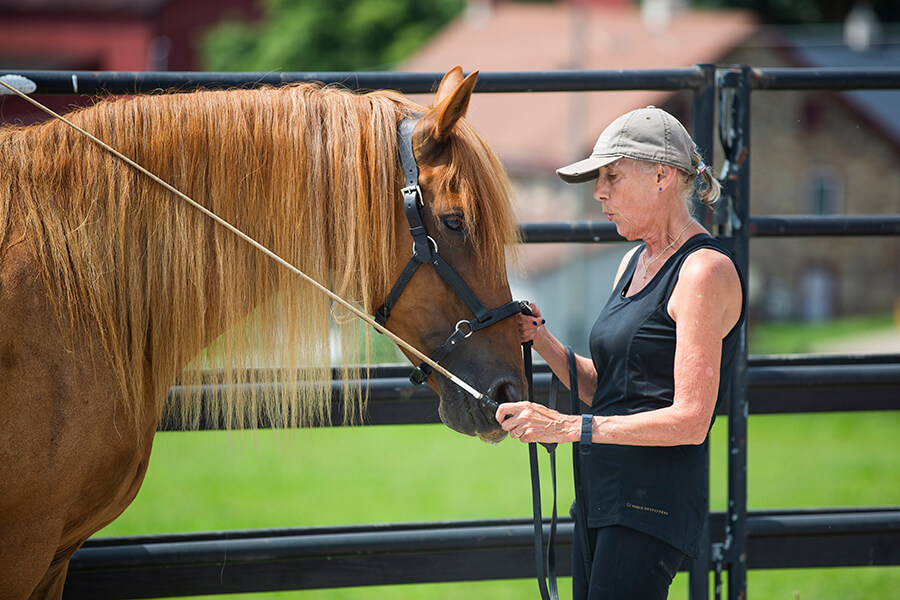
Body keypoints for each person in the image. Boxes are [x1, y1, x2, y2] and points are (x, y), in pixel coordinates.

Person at [496, 106, 746, 599]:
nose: (599, 193)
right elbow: (608, 389)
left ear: (662, 176)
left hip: (650, 504)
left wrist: (566, 427)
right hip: (601, 496)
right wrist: (541, 340)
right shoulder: (632, 262)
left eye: (611, 176)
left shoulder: (703, 272)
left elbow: (692, 419)